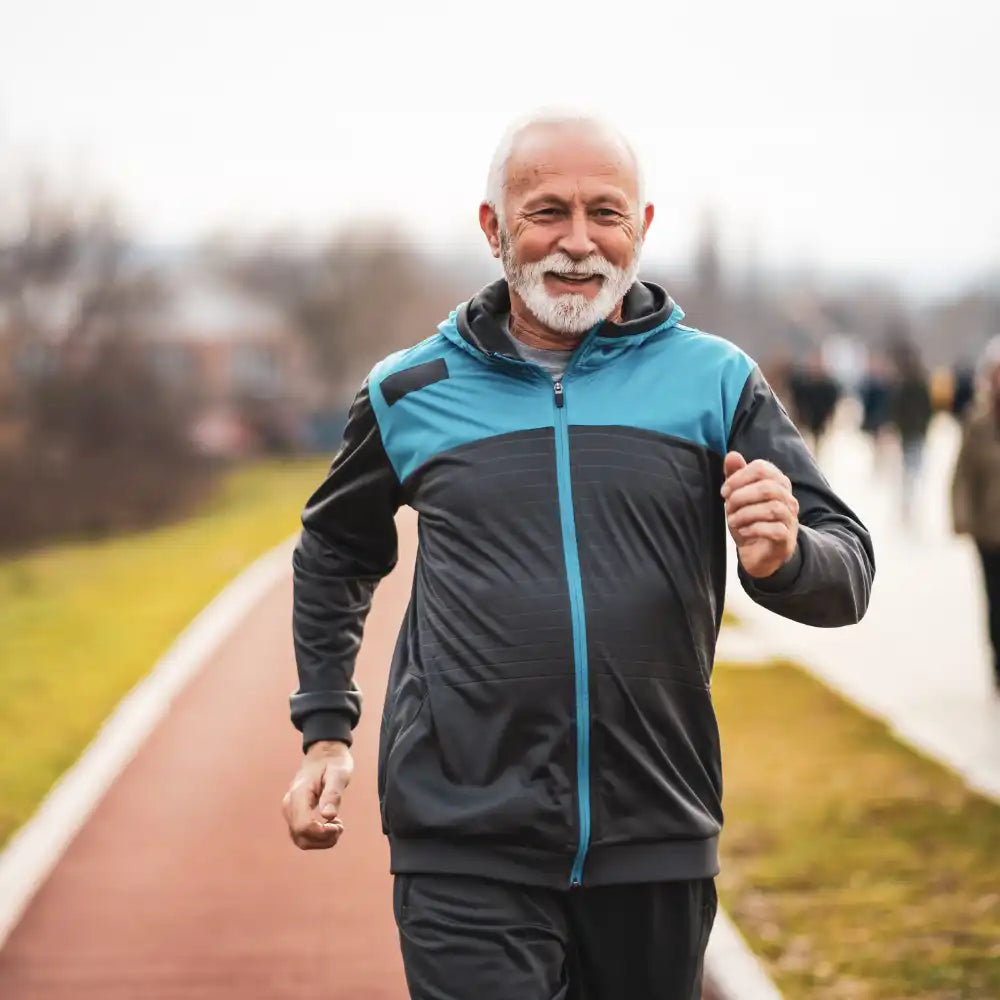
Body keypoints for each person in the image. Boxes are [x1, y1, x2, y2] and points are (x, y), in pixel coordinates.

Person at [283, 113, 875, 1000]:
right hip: (462, 839)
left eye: (605, 213)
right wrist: (326, 727)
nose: (577, 241)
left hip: (656, 834)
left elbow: (849, 570)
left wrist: (784, 555)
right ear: (493, 228)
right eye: (546, 211)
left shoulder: (715, 380)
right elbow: (334, 547)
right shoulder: (408, 391)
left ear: (641, 227)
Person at [951, 336, 1000, 695]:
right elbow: (961, 476)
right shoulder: (978, 423)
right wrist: (962, 519)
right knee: (995, 600)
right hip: (989, 531)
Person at [888, 343, 933, 526]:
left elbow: (899, 409)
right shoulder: (916, 383)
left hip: (911, 432)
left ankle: (909, 503)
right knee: (913, 469)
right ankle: (910, 503)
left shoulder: (906, 384)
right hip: (913, 432)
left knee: (910, 469)